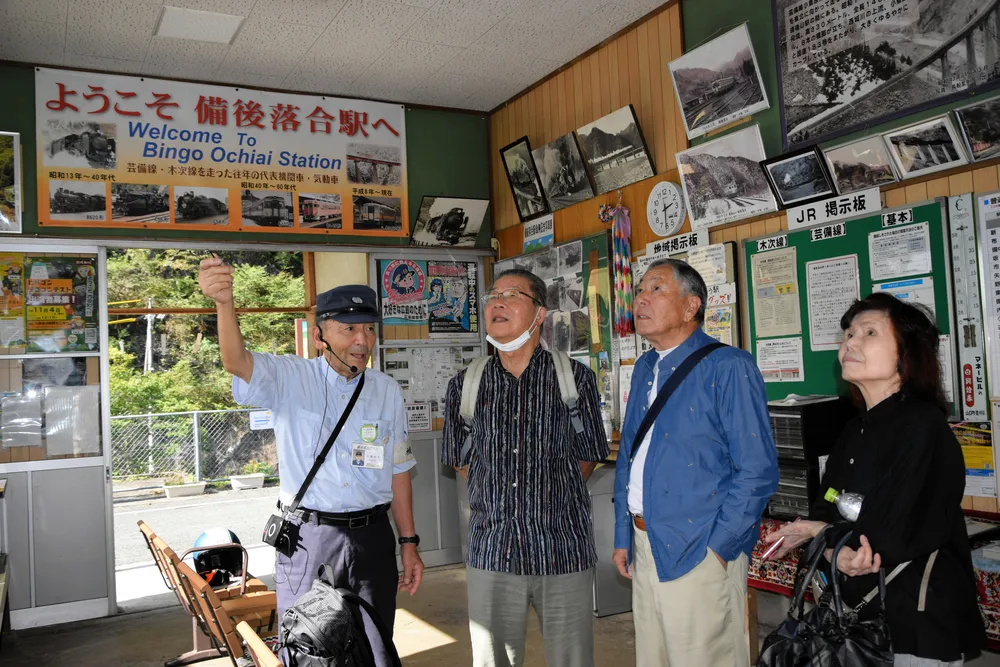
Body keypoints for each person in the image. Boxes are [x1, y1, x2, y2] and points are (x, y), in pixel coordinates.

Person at [198, 257, 423, 664]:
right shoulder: (291, 378)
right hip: (308, 540)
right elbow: (237, 362)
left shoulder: (386, 390)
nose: (362, 339)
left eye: (369, 329)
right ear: (319, 335)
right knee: (308, 647)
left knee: (375, 644)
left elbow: (399, 469)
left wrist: (408, 543)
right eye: (349, 328)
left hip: (372, 538)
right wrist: (224, 304)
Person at [764, 293, 985, 665]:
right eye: (849, 333)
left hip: (916, 622)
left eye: (869, 332)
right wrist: (828, 543)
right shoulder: (854, 429)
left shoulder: (923, 427)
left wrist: (822, 534)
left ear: (907, 354)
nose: (850, 342)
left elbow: (888, 533)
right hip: (854, 619)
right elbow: (827, 504)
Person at [613, 258, 778, 667]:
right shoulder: (645, 368)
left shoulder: (729, 366)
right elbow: (629, 454)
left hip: (698, 547)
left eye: (656, 289)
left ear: (691, 308)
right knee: (655, 659)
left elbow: (757, 470)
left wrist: (719, 548)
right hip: (644, 544)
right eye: (640, 291)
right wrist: (623, 533)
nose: (641, 300)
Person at [442, 269, 609, 667]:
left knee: (572, 659)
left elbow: (587, 455)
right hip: (492, 552)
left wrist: (549, 495)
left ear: (539, 315)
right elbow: (463, 462)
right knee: (491, 660)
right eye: (492, 296)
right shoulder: (464, 385)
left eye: (512, 295)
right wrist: (499, 491)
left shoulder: (575, 379)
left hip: (563, 551)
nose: (497, 303)